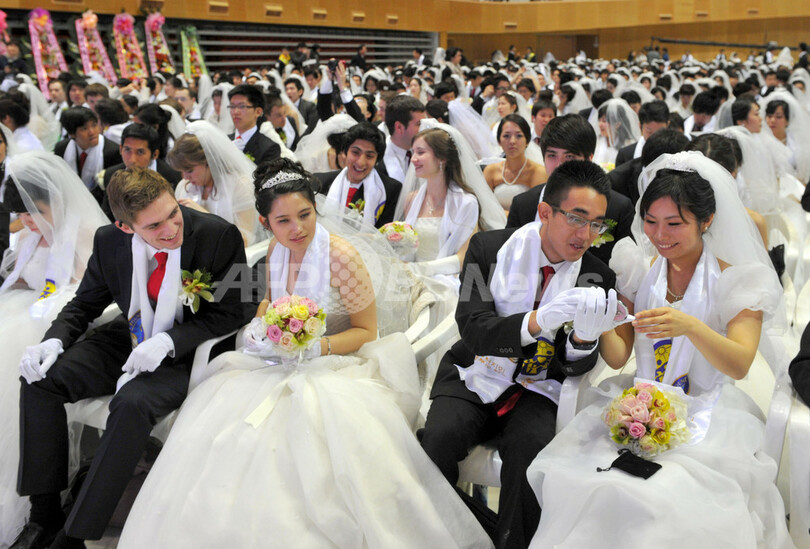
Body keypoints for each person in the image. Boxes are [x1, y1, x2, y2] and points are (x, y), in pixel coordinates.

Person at [117, 158, 492, 549]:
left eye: (305, 215)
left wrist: (316, 345)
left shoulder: (341, 256)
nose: (297, 229)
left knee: (304, 434)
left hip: (339, 364)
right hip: (278, 363)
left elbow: (367, 331)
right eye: (283, 221)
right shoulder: (275, 251)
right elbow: (268, 301)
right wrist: (261, 327)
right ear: (266, 223)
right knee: (226, 433)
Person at [525, 151, 791, 549]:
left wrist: (691, 326)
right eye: (650, 221)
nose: (660, 235)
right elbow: (619, 355)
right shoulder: (639, 268)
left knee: (667, 500)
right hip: (639, 399)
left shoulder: (738, 281)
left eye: (674, 223)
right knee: (590, 484)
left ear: (706, 221)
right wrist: (595, 325)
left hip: (708, 411)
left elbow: (739, 364)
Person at [11, 167, 249, 549]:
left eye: (173, 214)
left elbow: (240, 309)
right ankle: (44, 515)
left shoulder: (220, 234)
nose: (171, 229)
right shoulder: (108, 240)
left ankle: (75, 534)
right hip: (130, 337)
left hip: (185, 350)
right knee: (40, 380)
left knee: (132, 403)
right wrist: (52, 341)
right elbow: (85, 303)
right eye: (154, 226)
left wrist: (170, 341)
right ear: (125, 227)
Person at [421, 160, 623, 549]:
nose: (586, 235)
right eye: (577, 218)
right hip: (474, 371)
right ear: (545, 212)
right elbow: (473, 327)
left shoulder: (597, 276)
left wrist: (583, 341)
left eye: (597, 224)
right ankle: (455, 535)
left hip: (539, 387)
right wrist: (536, 321)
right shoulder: (487, 248)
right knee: (438, 442)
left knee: (530, 456)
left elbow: (575, 367)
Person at [0, 153, 109, 547]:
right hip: (25, 310)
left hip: (62, 323)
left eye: (37, 212)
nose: (29, 221)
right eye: (23, 214)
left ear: (57, 200)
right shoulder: (28, 236)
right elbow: (17, 280)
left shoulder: (85, 233)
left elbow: (90, 296)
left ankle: (37, 505)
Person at [507, 114, 634, 267]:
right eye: (552, 155)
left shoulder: (618, 208)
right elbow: (510, 256)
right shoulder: (523, 204)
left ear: (589, 159)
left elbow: (625, 267)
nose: (559, 165)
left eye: (569, 157)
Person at [168, 120, 262, 246]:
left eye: (189, 170)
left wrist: (204, 216)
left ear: (209, 161)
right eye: (181, 171)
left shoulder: (240, 186)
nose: (185, 177)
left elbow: (243, 240)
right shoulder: (184, 186)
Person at [315, 121, 401, 228]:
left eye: (369, 156)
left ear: (377, 159)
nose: (361, 162)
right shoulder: (319, 182)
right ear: (345, 152)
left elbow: (384, 231)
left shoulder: (390, 189)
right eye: (355, 152)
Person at [101, 123, 182, 220]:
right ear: (120, 149)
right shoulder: (111, 175)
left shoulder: (171, 177)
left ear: (155, 154)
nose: (132, 160)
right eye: (127, 150)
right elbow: (107, 216)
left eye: (140, 152)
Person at [54, 107, 123, 204]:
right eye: (84, 128)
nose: (92, 132)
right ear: (72, 134)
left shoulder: (112, 151)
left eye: (94, 125)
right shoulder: (61, 149)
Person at [484, 114, 547, 210]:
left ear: (527, 140)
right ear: (499, 141)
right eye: (506, 136)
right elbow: (484, 205)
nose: (512, 141)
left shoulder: (538, 172)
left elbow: (536, 210)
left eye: (519, 136)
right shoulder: (490, 171)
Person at [227, 83, 281, 165]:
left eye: (242, 106)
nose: (235, 112)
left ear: (258, 112)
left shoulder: (269, 148)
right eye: (232, 106)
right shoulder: (224, 140)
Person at [381, 94, 426, 184]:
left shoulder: (428, 151)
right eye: (419, 124)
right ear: (399, 127)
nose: (423, 129)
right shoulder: (379, 160)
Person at [614, 100, 669, 166]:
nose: (655, 137)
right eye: (649, 131)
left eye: (660, 131)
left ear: (668, 125)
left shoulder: (675, 153)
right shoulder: (625, 155)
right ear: (640, 126)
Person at [593, 98, 640, 166]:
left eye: (604, 121)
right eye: (599, 120)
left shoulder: (628, 144)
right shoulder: (597, 140)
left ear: (617, 124)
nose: (600, 124)